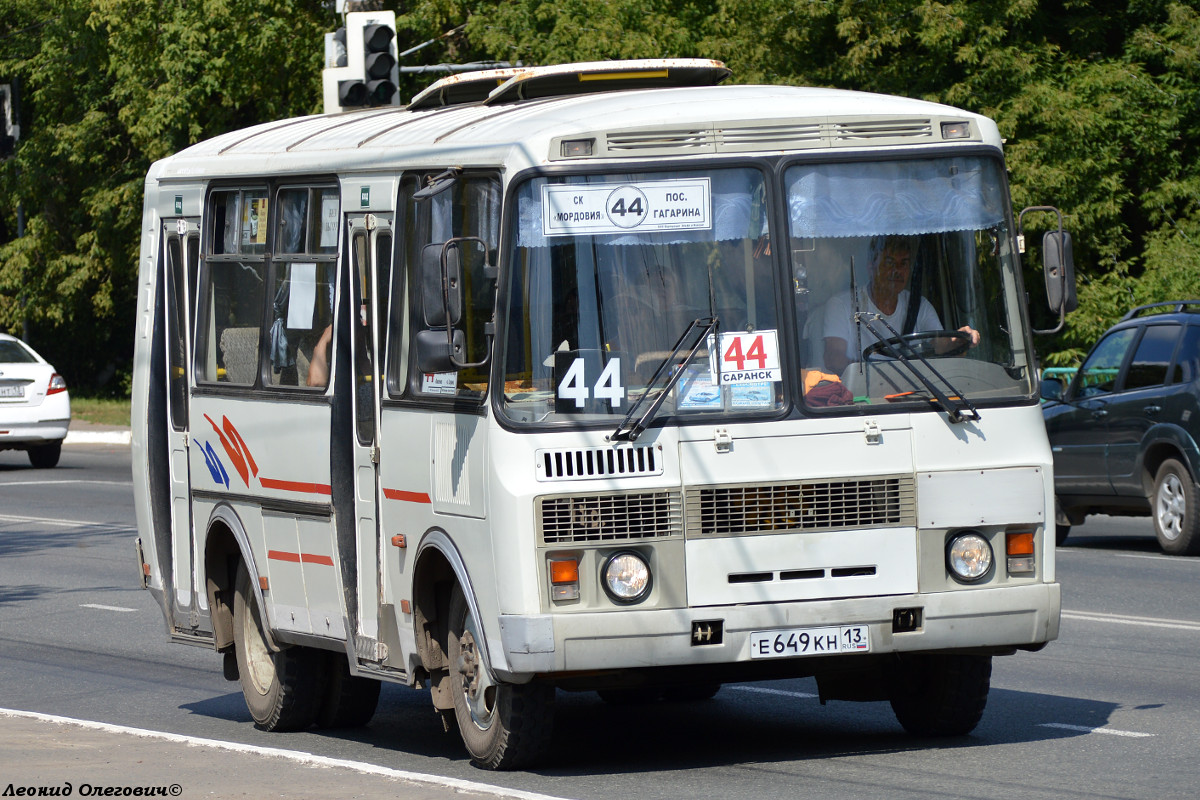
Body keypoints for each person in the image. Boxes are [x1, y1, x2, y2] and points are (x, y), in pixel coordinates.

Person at [822, 235, 979, 374]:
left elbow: (939, 344)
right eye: (889, 263)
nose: (896, 271)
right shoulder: (842, 305)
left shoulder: (919, 306)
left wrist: (958, 339)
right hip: (862, 399)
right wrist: (875, 374)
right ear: (871, 268)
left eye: (903, 263)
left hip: (913, 396)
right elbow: (834, 358)